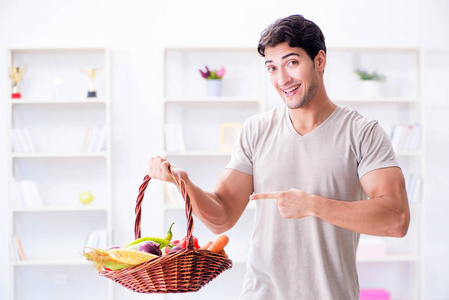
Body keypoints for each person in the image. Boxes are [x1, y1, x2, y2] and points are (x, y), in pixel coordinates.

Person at [148, 14, 410, 300]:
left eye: (292, 63)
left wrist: (312, 205)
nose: (282, 79)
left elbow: (395, 219)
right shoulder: (256, 130)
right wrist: (183, 183)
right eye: (272, 68)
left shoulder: (361, 132)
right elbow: (221, 215)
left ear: (320, 61)